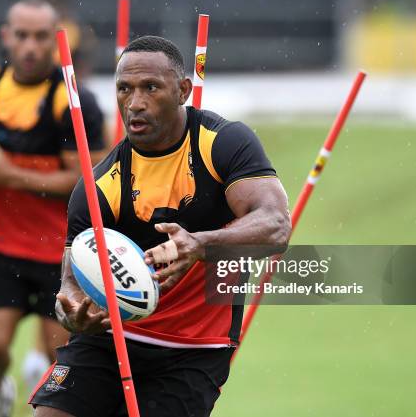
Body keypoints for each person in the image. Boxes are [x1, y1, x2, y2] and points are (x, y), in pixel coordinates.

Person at [29, 35, 291, 417]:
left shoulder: (223, 144)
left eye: (151, 87)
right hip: (111, 338)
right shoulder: (99, 185)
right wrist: (72, 314)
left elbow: (276, 227)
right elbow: (71, 284)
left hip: (194, 348)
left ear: (183, 89)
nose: (135, 103)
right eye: (125, 89)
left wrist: (200, 245)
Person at [0, 0, 105, 417]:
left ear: (58, 41)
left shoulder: (73, 102)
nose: (31, 47)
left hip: (60, 253)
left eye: (42, 37)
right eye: (22, 35)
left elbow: (85, 184)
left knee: (66, 365)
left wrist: (7, 176)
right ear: (6, 36)